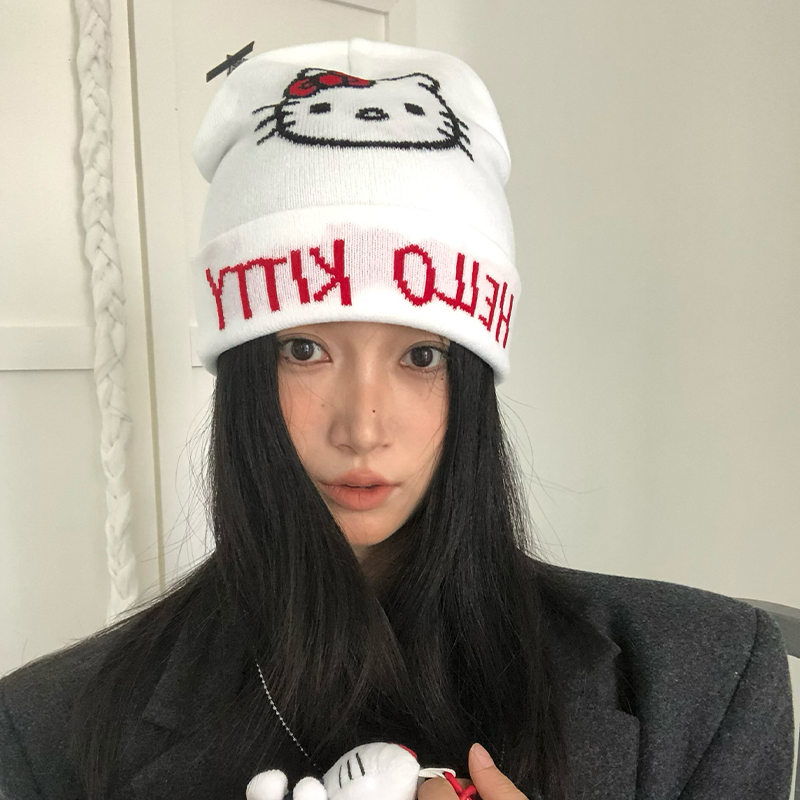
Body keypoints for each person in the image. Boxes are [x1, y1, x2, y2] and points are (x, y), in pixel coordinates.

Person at [0, 37, 794, 800]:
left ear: (473, 378)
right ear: (240, 370)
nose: (363, 427)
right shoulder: (49, 731)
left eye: (421, 356)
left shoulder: (705, 681)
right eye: (304, 349)